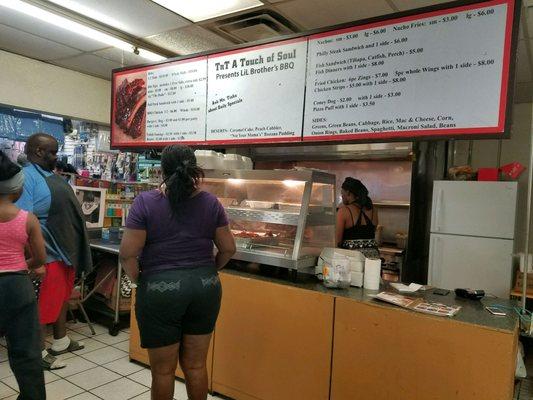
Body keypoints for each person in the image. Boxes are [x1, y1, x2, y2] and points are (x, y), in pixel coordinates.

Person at [120, 145, 236, 400]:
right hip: (205, 287)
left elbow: (128, 253)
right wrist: (209, 270)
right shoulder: (210, 202)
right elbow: (228, 249)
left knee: (163, 372)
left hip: (161, 289)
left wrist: (139, 278)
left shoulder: (146, 202)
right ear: (193, 167)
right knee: (196, 366)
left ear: (161, 169)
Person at [16, 133, 93, 370]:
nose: (56, 157)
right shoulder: (26, 177)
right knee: (41, 306)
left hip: (64, 252)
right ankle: (37, 353)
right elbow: (24, 222)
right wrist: (35, 260)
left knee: (61, 298)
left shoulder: (50, 175)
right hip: (46, 255)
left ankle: (60, 340)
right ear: (38, 151)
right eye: (52, 152)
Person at [0, 150, 47, 399]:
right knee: (27, 354)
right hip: (18, 288)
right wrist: (22, 264)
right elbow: (40, 258)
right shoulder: (27, 219)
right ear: (16, 190)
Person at [336, 177, 380, 258]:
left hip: (353, 261)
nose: (341, 196)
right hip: (373, 260)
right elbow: (369, 233)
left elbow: (337, 241)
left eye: (342, 193)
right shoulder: (373, 210)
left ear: (348, 193)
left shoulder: (344, 211)